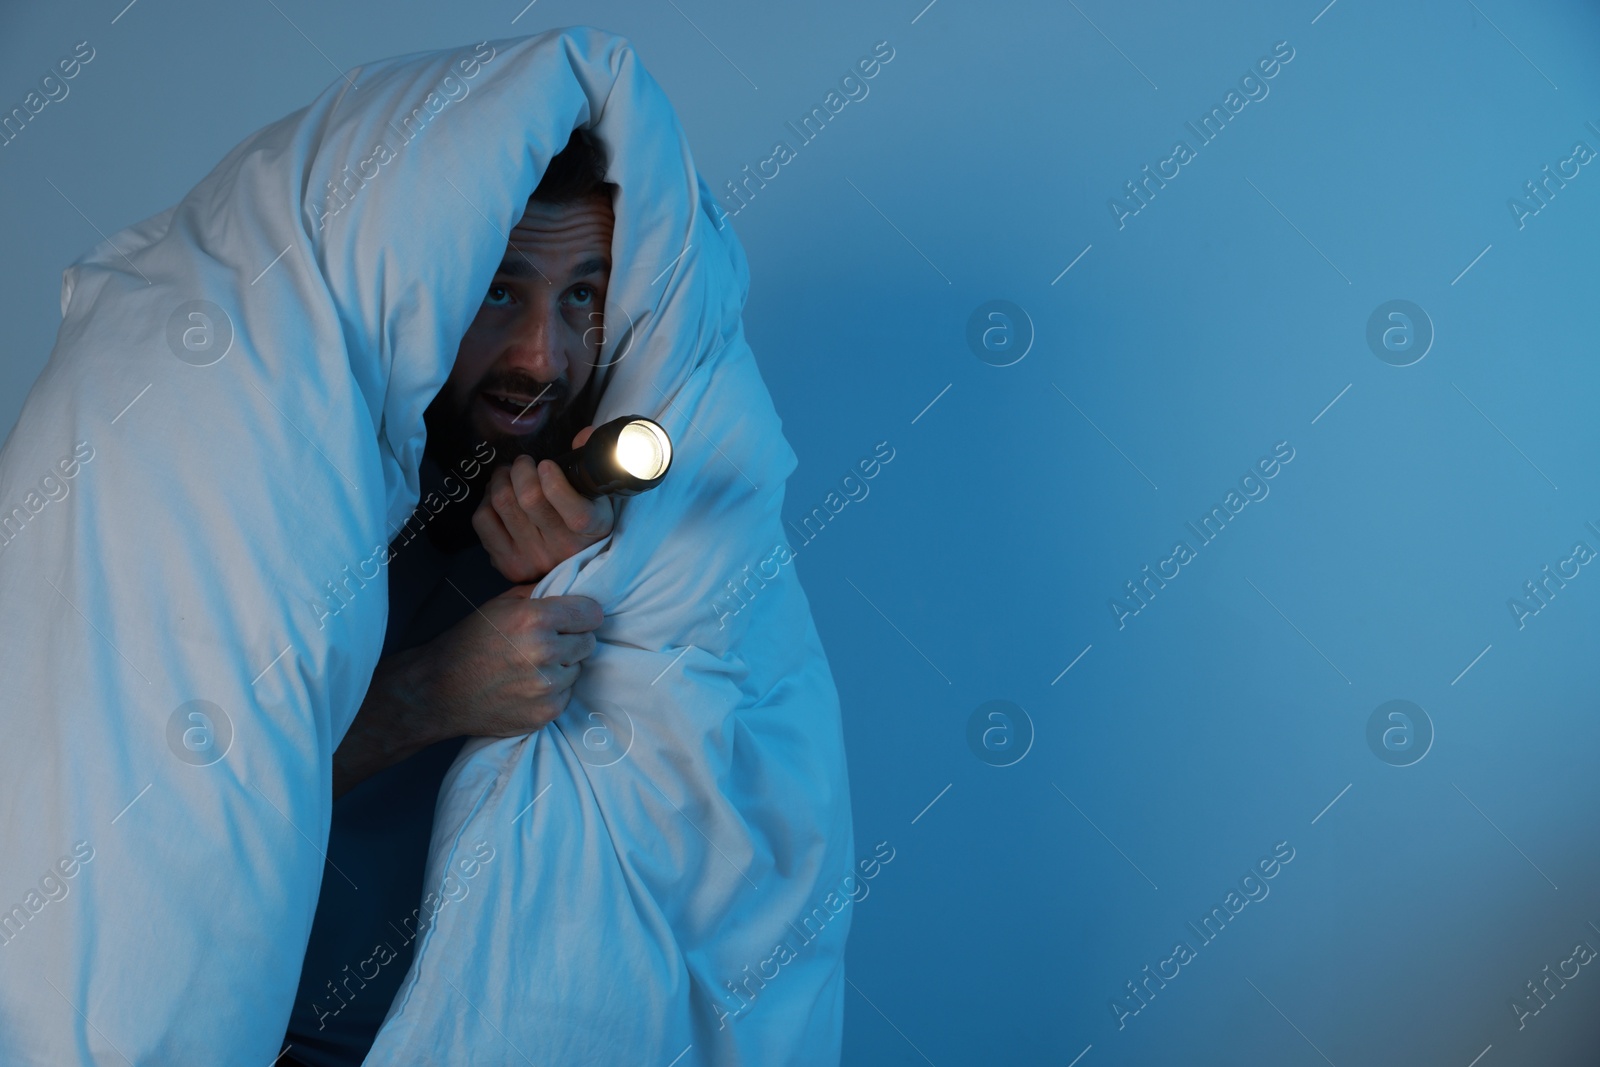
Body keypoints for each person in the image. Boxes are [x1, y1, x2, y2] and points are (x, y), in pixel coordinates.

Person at [281, 127, 623, 1067]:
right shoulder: (300, 485)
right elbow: (157, 783)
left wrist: (594, 588)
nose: (543, 358)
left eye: (580, 297)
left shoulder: (606, 509)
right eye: (498, 289)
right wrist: (432, 692)